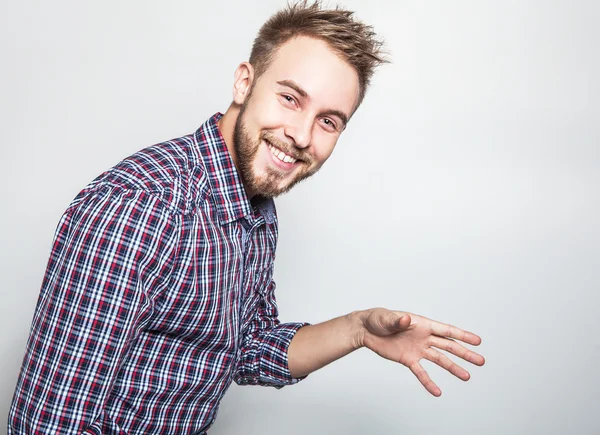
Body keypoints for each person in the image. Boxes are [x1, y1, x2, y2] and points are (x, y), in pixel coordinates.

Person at [8, 1, 485, 434]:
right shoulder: (146, 207)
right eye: (290, 98)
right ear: (244, 82)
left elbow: (246, 350)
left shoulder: (254, 203)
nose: (300, 135)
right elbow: (49, 421)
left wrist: (358, 329)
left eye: (328, 120)